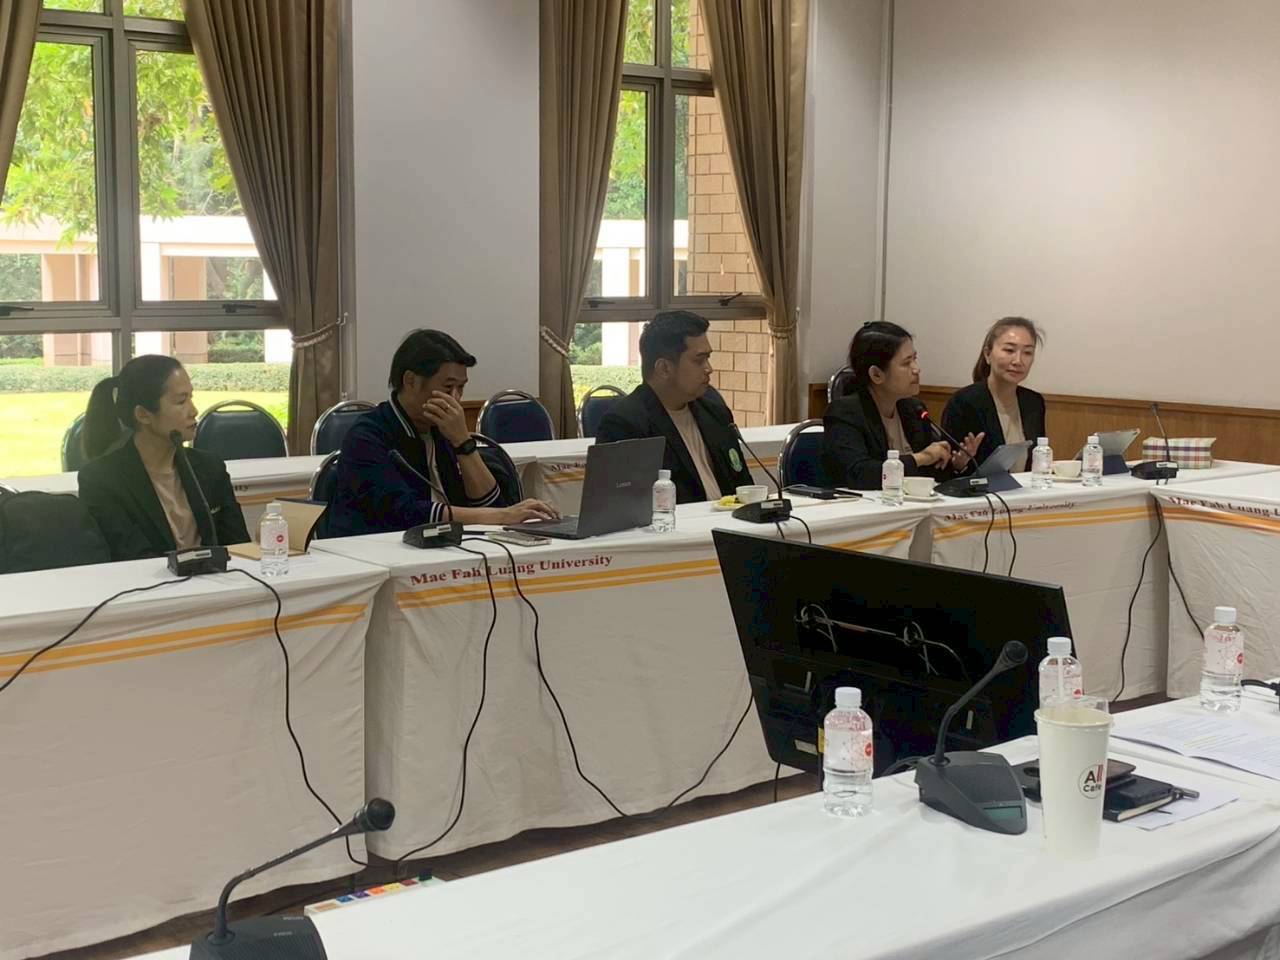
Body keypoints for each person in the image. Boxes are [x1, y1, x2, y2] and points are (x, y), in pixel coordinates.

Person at [324, 329, 558, 537]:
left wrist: (463, 442)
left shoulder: (443, 430)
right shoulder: (367, 436)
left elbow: (492, 504)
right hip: (378, 551)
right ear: (411, 381)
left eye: (461, 388)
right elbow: (406, 513)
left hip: (447, 545)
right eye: (448, 387)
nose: (456, 398)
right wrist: (501, 516)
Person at [78, 355, 249, 561]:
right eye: (181, 401)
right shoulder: (102, 479)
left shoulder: (210, 467)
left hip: (216, 579)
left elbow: (239, 545)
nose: (193, 411)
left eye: (191, 397)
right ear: (143, 414)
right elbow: (131, 557)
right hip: (147, 580)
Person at [594, 310, 753, 503]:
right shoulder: (625, 424)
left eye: (708, 358)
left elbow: (743, 485)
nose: (709, 369)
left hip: (729, 518)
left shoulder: (715, 412)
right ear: (664, 368)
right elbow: (622, 506)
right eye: (699, 360)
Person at [822, 321, 981, 490]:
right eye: (906, 363)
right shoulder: (844, 413)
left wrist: (956, 464)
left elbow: (930, 473)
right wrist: (922, 457)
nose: (916, 369)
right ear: (876, 374)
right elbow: (860, 473)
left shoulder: (913, 410)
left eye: (915, 359)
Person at [941, 317, 1046, 471]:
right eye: (1009, 350)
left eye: (1027, 352)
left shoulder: (1034, 402)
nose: (1018, 361)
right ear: (987, 354)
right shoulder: (965, 402)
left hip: (1024, 487)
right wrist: (959, 465)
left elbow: (1036, 462)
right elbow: (946, 470)